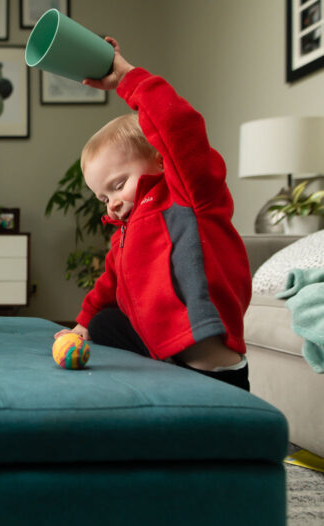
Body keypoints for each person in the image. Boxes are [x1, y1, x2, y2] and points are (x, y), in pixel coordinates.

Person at [55, 37, 252, 392]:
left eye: (118, 185)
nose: (111, 203)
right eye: (102, 197)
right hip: (168, 363)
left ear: (161, 160)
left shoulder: (187, 195)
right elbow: (107, 287)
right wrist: (80, 326)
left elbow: (179, 126)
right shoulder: (125, 233)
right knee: (103, 322)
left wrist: (128, 78)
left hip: (213, 371)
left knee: (219, 447)